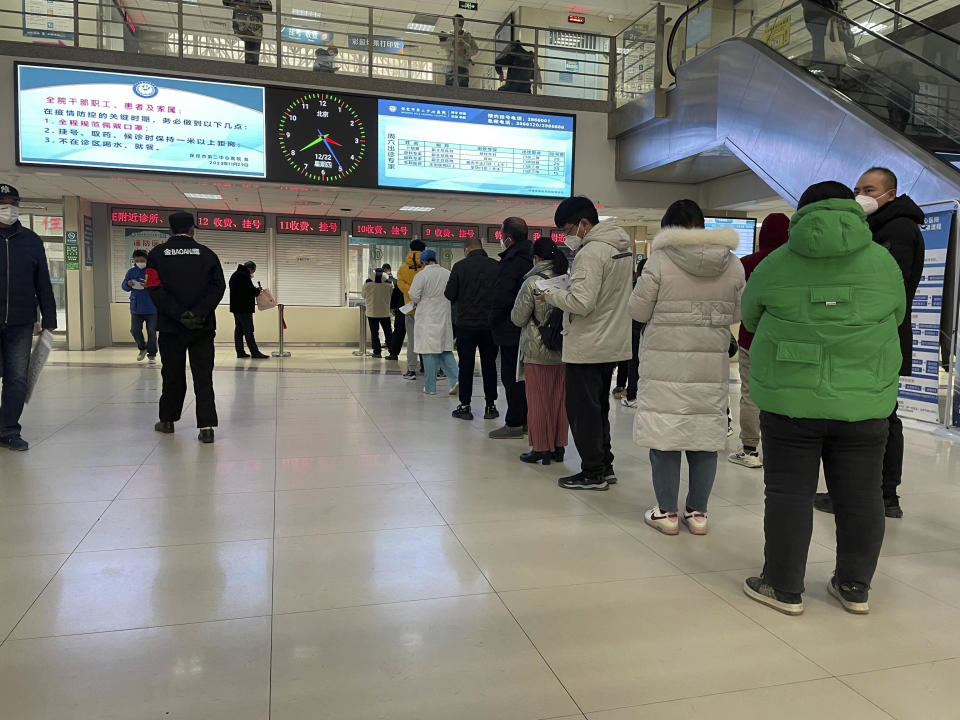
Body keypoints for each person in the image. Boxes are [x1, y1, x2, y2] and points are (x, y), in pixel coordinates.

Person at [741, 181, 905, 616]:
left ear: (803, 213)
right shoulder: (882, 261)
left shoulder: (775, 263)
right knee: (862, 495)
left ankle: (783, 587)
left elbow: (750, 316)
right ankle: (854, 587)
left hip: (789, 397)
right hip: (863, 398)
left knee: (787, 493)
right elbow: (897, 312)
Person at [813, 167, 925, 519]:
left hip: (880, 337)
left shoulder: (898, 230)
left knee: (881, 418)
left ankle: (884, 494)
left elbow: (889, 291)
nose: (861, 195)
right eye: (858, 188)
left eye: (870, 189)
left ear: (890, 194)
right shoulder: (877, 227)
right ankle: (862, 491)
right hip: (871, 336)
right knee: (870, 416)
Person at [629, 200, 745, 533]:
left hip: (664, 361)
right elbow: (737, 313)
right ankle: (698, 514)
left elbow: (637, 311)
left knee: (665, 435)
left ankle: (666, 514)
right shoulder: (732, 264)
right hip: (710, 363)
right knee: (704, 436)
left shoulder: (659, 262)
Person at [540, 196, 633, 490]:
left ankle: (592, 471)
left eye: (568, 228)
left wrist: (550, 295)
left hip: (588, 344)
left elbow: (581, 302)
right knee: (598, 409)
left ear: (584, 223)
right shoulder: (621, 248)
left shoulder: (591, 253)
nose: (566, 236)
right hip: (611, 342)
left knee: (583, 411)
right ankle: (604, 465)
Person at [146, 211, 226, 444]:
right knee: (203, 376)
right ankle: (207, 427)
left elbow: (154, 289)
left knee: (172, 374)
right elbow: (217, 287)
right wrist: (198, 313)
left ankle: (168, 421)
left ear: (170, 230)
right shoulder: (207, 254)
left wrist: (179, 315)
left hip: (171, 328)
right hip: (202, 328)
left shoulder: (157, 255)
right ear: (192, 229)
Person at [728, 213, 789, 468]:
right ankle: (780, 448)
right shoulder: (794, 265)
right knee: (783, 393)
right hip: (786, 342)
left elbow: (736, 304)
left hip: (751, 339)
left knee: (750, 393)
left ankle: (750, 449)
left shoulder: (746, 263)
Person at [0, 184, 56, 452]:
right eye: (2, 201)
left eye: (12, 202)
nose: (7, 207)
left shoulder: (31, 240)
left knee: (17, 378)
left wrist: (49, 317)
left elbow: (43, 281)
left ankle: (9, 430)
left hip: (21, 321)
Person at [511, 237, 569, 464]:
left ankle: (541, 449)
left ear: (536, 258)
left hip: (537, 351)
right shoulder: (567, 280)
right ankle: (558, 447)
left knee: (537, 401)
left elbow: (518, 318)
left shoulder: (532, 282)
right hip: (562, 349)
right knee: (559, 401)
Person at [445, 232, 500, 420]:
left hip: (465, 326)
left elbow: (449, 294)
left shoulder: (459, 267)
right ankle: (491, 406)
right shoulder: (496, 266)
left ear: (466, 249)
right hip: (489, 326)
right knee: (489, 365)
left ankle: (465, 406)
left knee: (466, 366)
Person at [488, 217, 534, 438]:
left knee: (511, 377)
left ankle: (514, 422)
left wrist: (493, 321)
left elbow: (502, 296)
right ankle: (525, 419)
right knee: (524, 377)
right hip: (530, 329)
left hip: (510, 329)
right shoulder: (534, 258)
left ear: (508, 237)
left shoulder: (512, 261)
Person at [408, 249, 458, 395]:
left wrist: (418, 300)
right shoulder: (447, 273)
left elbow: (414, 295)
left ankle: (430, 387)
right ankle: (456, 380)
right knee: (444, 350)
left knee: (428, 351)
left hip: (427, 317)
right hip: (443, 314)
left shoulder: (421, 275)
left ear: (423, 262)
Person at [613, 259, 646, 409]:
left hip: (631, 328)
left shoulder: (632, 287)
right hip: (647, 329)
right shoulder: (655, 287)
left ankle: (630, 392)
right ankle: (635, 391)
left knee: (630, 361)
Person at [121, 249, 159, 364]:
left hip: (151, 307)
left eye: (142, 260)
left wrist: (149, 285)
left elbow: (159, 286)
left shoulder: (152, 272)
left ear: (147, 260)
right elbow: (124, 286)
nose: (139, 262)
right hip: (136, 307)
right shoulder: (131, 272)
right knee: (135, 330)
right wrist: (128, 284)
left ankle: (152, 354)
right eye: (137, 260)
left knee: (151, 332)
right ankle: (142, 348)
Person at [397, 240, 426, 380]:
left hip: (410, 309)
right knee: (428, 340)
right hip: (426, 310)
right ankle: (428, 367)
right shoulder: (426, 267)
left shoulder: (402, 268)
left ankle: (411, 370)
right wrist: (420, 294)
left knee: (412, 341)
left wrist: (412, 293)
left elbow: (400, 284)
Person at [229, 261, 268, 359]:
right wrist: (257, 290)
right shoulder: (244, 276)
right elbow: (249, 292)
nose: (252, 273)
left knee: (239, 330)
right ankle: (255, 352)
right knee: (248, 330)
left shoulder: (235, 275)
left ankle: (240, 352)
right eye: (253, 271)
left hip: (236, 308)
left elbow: (242, 290)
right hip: (244, 308)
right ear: (250, 269)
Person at [223, 0, 272, 65]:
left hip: (253, 31)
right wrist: (241, 4)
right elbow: (226, 2)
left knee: (252, 59)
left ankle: (250, 70)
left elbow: (268, 7)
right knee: (252, 59)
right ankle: (249, 70)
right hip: (245, 29)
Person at [362, 268, 394, 359]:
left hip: (372, 312)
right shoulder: (389, 283)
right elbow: (392, 296)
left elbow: (363, 295)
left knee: (374, 333)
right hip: (385, 312)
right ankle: (392, 352)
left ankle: (377, 352)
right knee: (388, 332)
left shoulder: (368, 283)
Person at [439, 14, 478, 88]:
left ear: (463, 22)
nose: (457, 24)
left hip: (463, 65)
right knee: (448, 88)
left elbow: (475, 50)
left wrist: (465, 51)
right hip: (451, 65)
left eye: (459, 22)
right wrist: (453, 44)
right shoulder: (449, 35)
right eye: (454, 22)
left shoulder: (468, 36)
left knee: (463, 88)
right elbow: (442, 46)